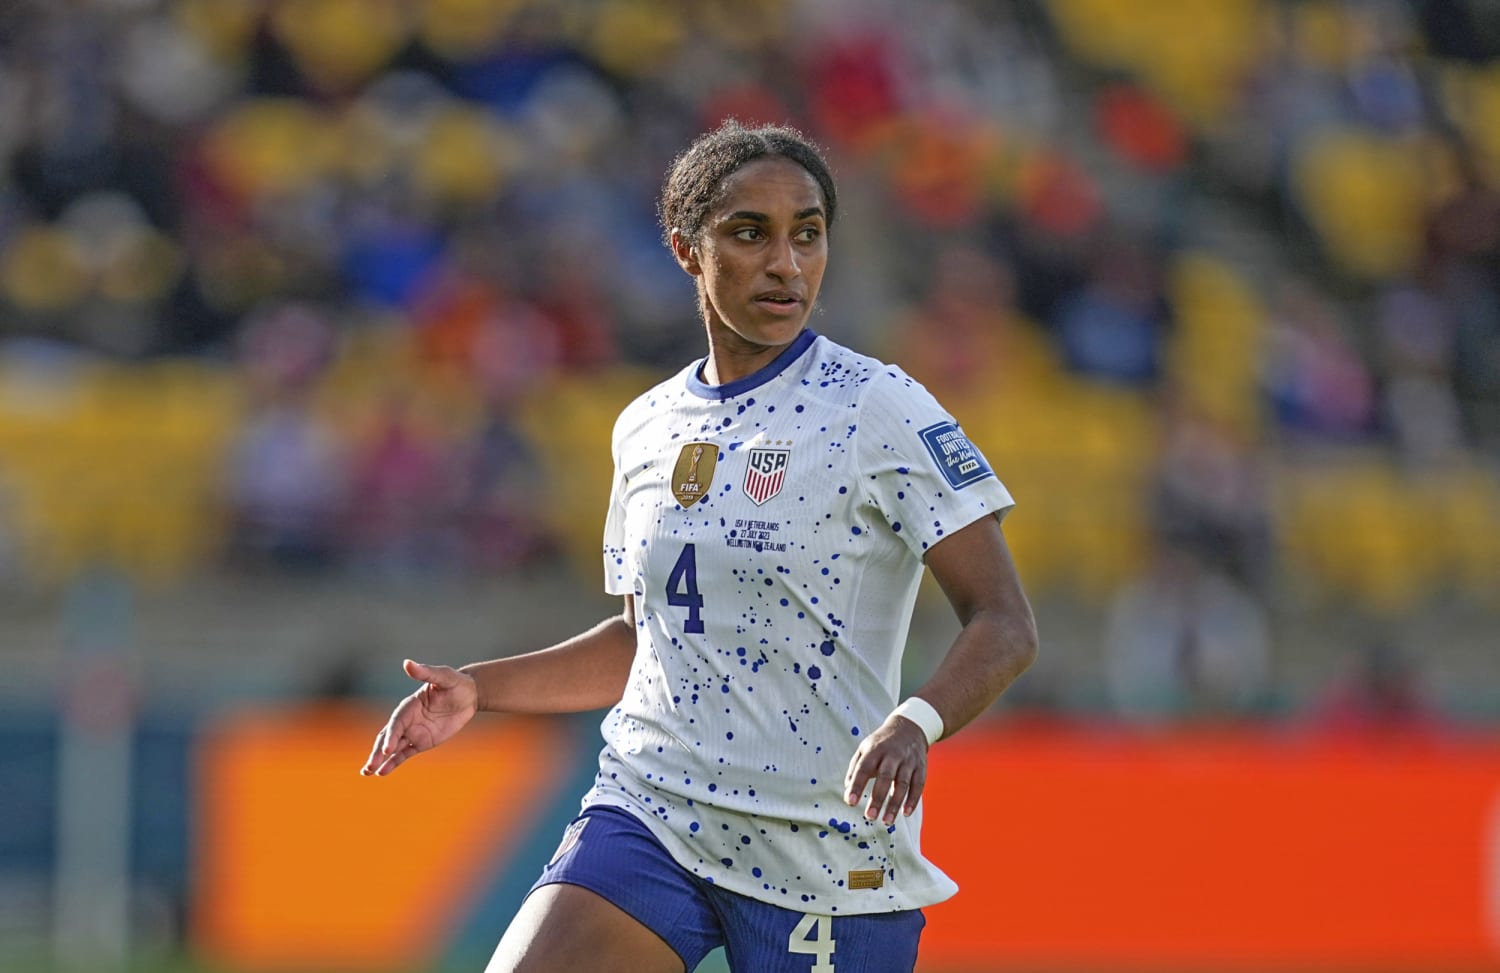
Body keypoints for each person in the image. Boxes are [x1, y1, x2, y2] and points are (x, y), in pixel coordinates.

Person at [360, 120, 1039, 973]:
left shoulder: (877, 408)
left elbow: (1005, 621)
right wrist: (479, 690)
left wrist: (916, 721)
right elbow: (648, 641)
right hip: (655, 809)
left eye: (808, 233)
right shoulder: (646, 425)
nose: (785, 262)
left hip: (824, 847)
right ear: (687, 249)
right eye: (750, 233)